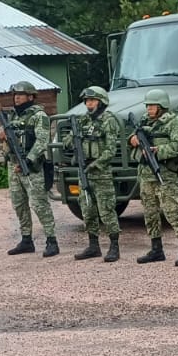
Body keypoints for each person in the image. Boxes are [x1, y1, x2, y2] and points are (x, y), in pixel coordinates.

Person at [128, 89, 178, 266]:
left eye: (152, 105)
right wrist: (132, 139)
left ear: (162, 106)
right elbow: (132, 138)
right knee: (150, 213)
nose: (149, 108)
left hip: (165, 174)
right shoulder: (143, 122)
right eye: (147, 105)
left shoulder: (174, 123)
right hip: (146, 175)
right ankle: (156, 249)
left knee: (173, 211)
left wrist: (158, 151)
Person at [0, 80, 58, 257]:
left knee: (39, 204)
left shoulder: (39, 116)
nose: (17, 98)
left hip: (32, 167)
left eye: (21, 95)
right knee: (19, 204)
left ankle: (52, 240)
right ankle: (26, 240)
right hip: (13, 164)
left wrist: (29, 161)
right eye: (15, 95)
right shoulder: (11, 116)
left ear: (30, 97)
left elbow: (42, 141)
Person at [72, 85, 124, 263]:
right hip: (84, 171)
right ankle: (93, 245)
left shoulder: (108, 120)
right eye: (87, 101)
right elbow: (69, 138)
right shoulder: (82, 120)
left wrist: (96, 164)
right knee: (87, 209)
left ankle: (114, 246)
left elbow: (111, 149)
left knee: (106, 210)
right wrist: (73, 140)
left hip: (101, 173)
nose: (89, 103)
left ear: (101, 102)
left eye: (92, 100)